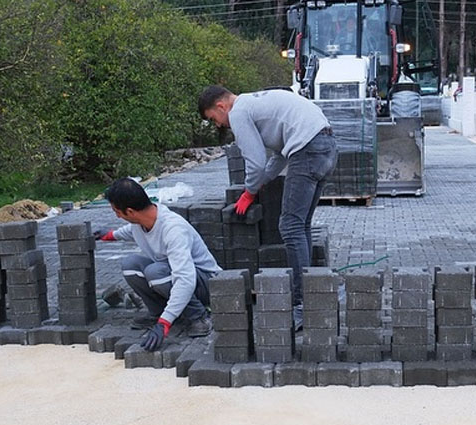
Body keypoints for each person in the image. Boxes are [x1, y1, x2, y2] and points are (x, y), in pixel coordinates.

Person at [198, 85, 337, 329]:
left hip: (308, 150)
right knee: (300, 224)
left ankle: (301, 304)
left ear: (221, 106)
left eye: (214, 119)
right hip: (326, 146)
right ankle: (313, 291)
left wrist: (249, 192)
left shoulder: (239, 112)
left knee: (289, 226)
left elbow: (255, 162)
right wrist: (262, 182)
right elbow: (279, 157)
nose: (219, 125)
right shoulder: (256, 104)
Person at [95, 178, 220, 351]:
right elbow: (127, 232)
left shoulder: (173, 229)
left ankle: (199, 316)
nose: (116, 216)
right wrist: (107, 235)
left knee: (155, 272)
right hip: (176, 275)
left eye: (117, 211)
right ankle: (157, 312)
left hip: (207, 283)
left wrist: (165, 324)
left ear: (130, 211)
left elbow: (185, 279)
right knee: (130, 264)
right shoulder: (140, 222)